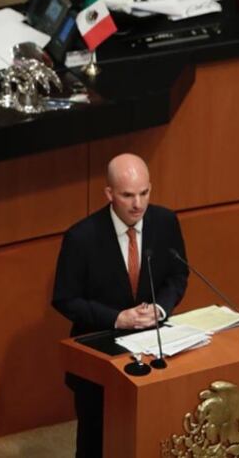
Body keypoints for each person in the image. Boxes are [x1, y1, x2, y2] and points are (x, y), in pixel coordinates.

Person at [52, 153, 189, 458]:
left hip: (152, 347)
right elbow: (64, 298)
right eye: (128, 195)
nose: (138, 204)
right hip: (100, 353)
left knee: (152, 435)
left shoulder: (165, 222)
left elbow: (178, 275)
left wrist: (161, 309)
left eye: (144, 193)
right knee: (97, 443)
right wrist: (117, 318)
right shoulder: (81, 237)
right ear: (109, 194)